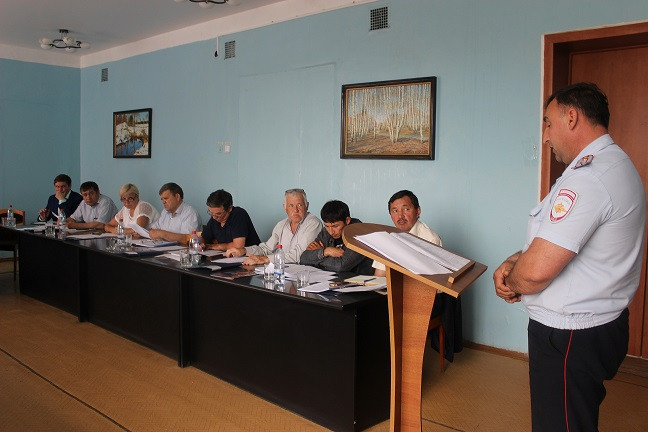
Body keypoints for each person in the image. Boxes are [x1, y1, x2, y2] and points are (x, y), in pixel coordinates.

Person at [493, 82, 646, 432]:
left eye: (548, 123)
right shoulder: (615, 165)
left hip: (569, 336)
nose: (545, 136)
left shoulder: (589, 178)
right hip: (598, 327)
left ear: (572, 117)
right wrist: (518, 261)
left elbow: (536, 273)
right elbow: (558, 242)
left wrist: (512, 281)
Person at [226, 188, 321, 265]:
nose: (295, 210)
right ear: (285, 208)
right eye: (291, 205)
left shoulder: (313, 223)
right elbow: (266, 249)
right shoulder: (281, 225)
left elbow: (299, 254)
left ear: (307, 206)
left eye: (299, 205)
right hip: (283, 272)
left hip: (304, 275)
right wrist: (243, 250)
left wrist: (265, 259)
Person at [373, 190, 442, 277]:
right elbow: (379, 276)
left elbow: (432, 280)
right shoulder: (387, 239)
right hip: (392, 285)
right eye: (395, 211)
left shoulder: (431, 239)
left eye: (406, 209)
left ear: (418, 211)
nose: (400, 216)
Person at [300, 200, 373, 274]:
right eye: (327, 226)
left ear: (347, 220)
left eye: (335, 226)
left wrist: (317, 258)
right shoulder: (325, 232)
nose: (331, 232)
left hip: (359, 279)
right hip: (331, 278)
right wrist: (325, 251)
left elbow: (340, 266)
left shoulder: (360, 235)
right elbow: (303, 258)